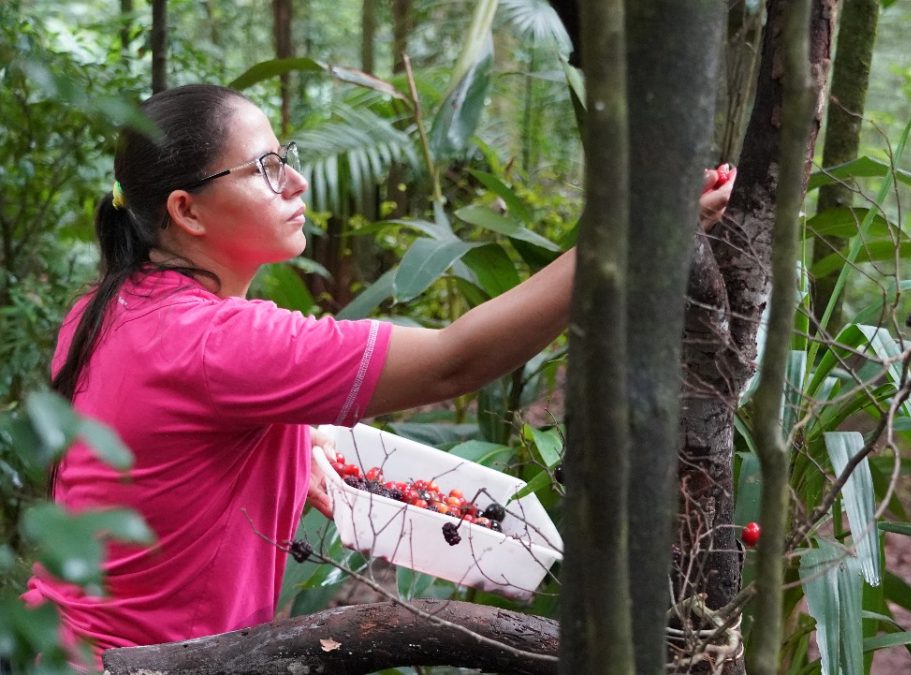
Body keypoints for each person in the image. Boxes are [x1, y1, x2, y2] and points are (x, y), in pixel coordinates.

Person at [23, 83, 734, 668]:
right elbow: (457, 361)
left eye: (287, 158)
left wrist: (293, 442)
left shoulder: (106, 308)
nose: (296, 181)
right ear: (186, 210)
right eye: (267, 168)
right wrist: (637, 230)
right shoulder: (222, 341)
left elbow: (162, 438)